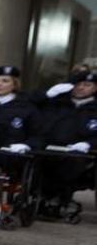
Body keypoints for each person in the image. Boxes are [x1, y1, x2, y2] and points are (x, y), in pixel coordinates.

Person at [36, 70, 97, 217]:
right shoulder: (57, 102)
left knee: (71, 163)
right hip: (49, 146)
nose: (81, 88)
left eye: (87, 85)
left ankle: (59, 199)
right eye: (78, 84)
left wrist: (89, 144)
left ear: (95, 88)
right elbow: (29, 104)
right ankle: (41, 197)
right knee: (36, 161)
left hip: (79, 151)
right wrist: (47, 94)